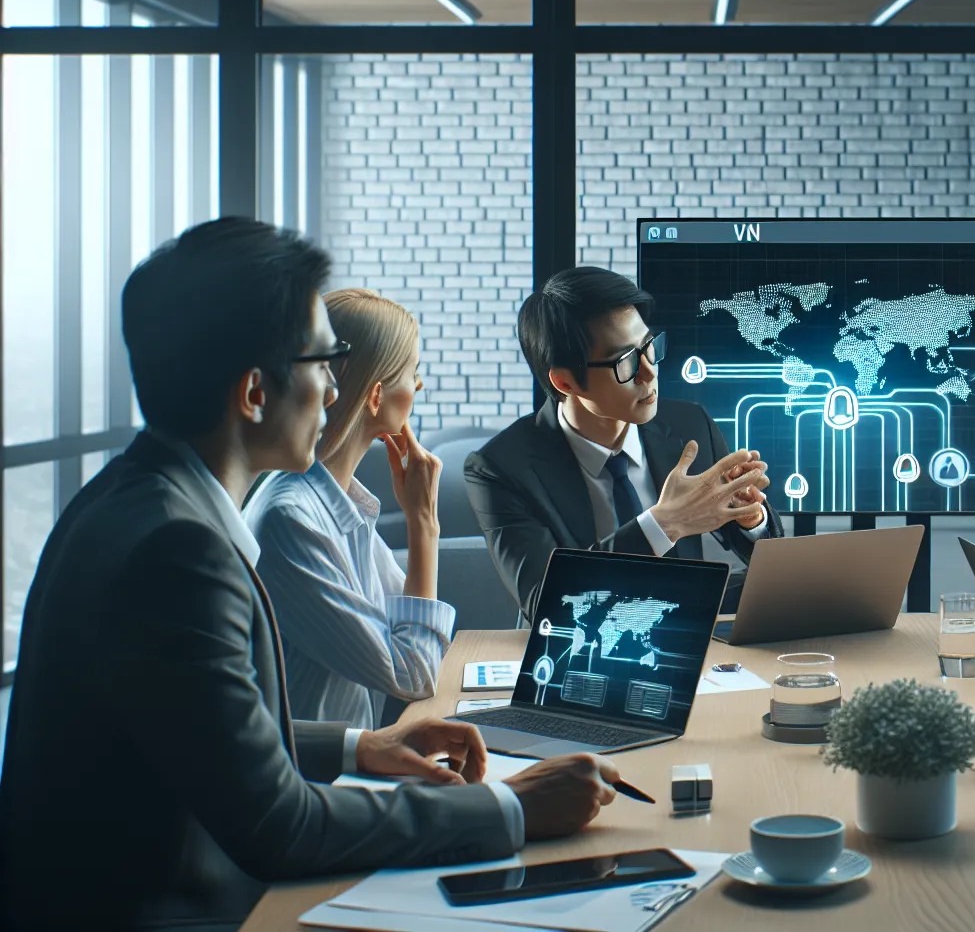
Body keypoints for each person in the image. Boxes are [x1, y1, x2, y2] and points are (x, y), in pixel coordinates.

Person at [0, 220, 621, 930]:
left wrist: (363, 745)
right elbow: (278, 823)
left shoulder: (130, 500)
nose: (334, 392)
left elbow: (209, 735)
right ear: (255, 394)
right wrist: (510, 805)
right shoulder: (180, 553)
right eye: (324, 363)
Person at [466, 266, 781, 618]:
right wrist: (665, 523)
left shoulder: (691, 426)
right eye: (625, 362)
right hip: (576, 654)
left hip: (690, 645)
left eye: (649, 347)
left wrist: (751, 520)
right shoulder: (500, 468)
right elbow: (546, 602)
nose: (649, 372)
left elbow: (768, 562)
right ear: (565, 383)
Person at [245, 289, 454, 728]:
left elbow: (415, 630)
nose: (418, 386)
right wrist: (423, 524)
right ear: (376, 397)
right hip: (319, 781)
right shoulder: (292, 520)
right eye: (412, 372)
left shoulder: (337, 501)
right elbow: (412, 672)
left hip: (355, 762)